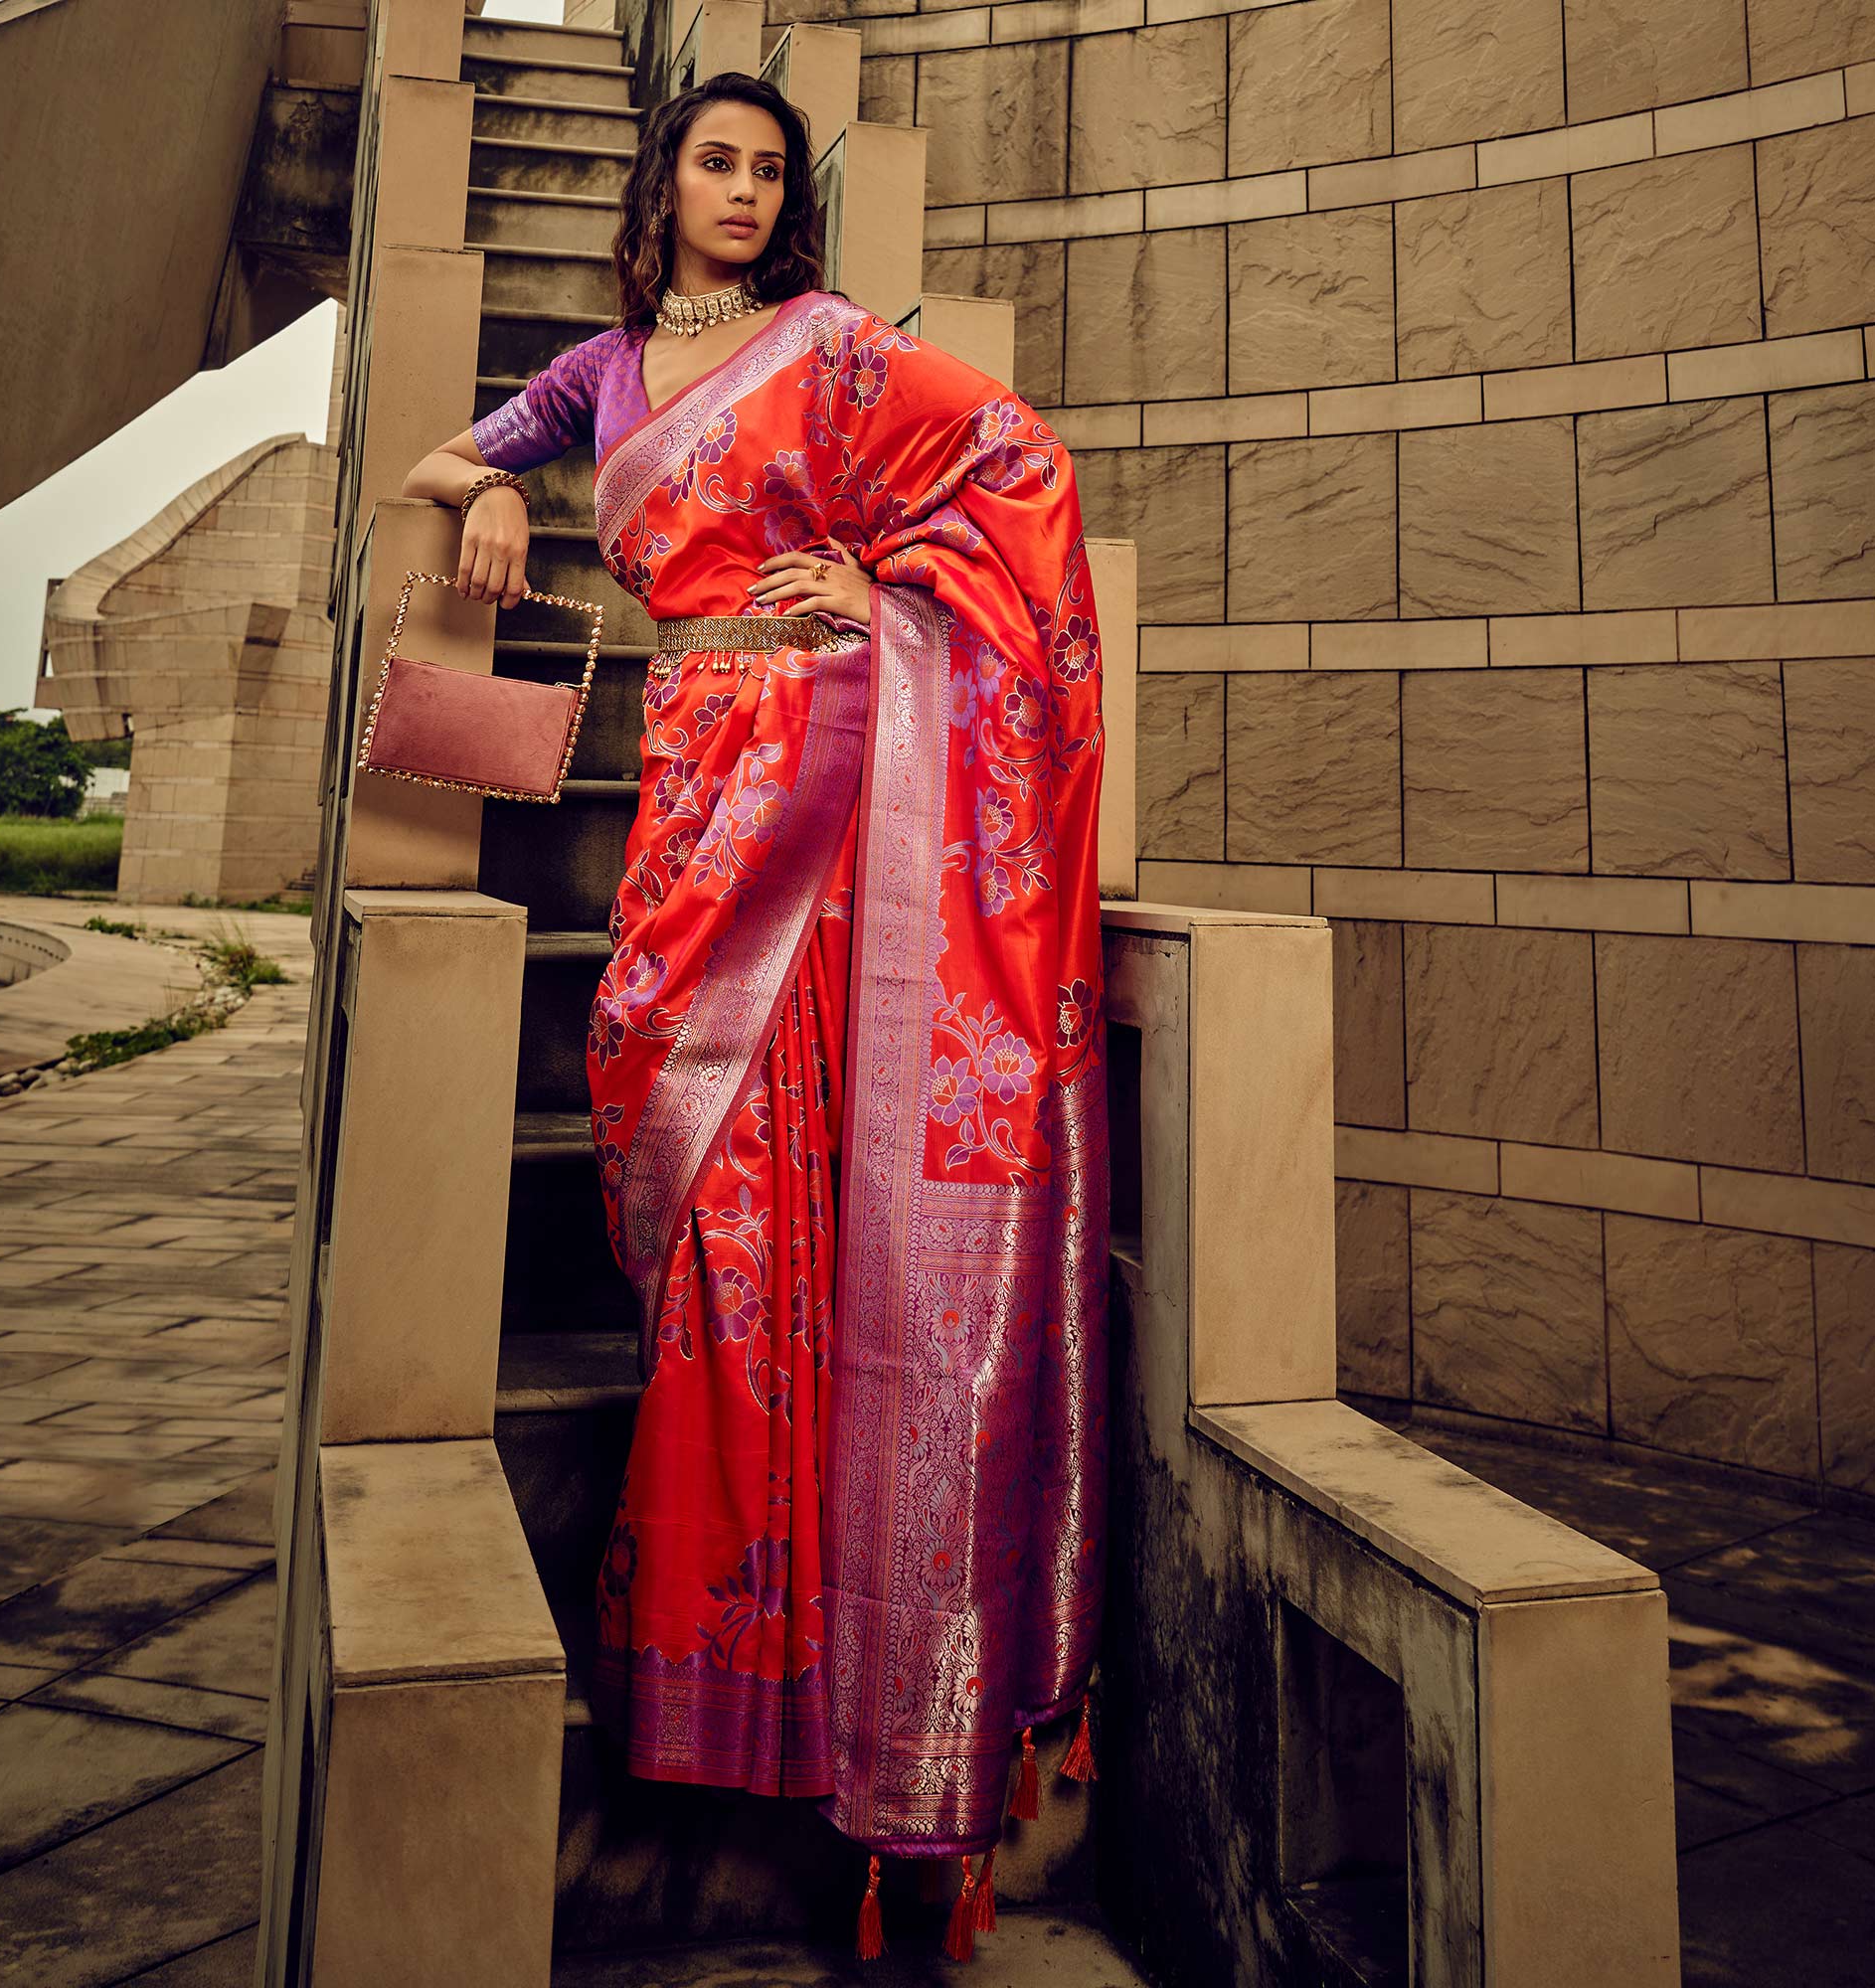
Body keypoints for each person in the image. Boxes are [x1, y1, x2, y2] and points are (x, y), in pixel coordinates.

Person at [401, 70, 1108, 1960]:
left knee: (801, 1193)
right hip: (687, 782)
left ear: (789, 202)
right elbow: (430, 465)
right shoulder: (603, 377)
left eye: (765, 170)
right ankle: (729, 1621)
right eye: (711, 159)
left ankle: (838, 1662)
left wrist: (880, 577)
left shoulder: (838, 350)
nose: (738, 189)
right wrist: (483, 493)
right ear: (663, 182)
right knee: (691, 1166)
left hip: (833, 780)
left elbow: (1018, 467)